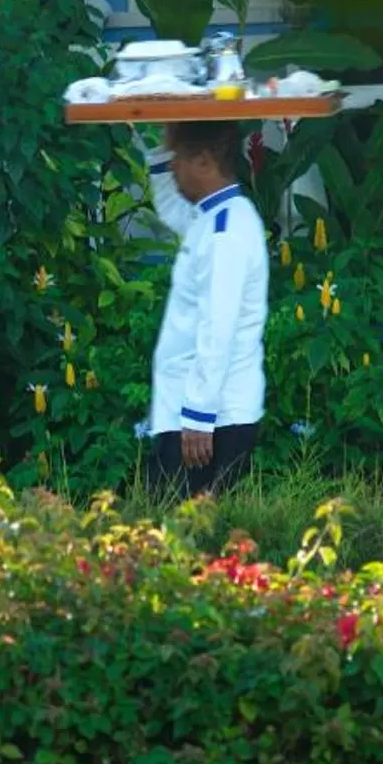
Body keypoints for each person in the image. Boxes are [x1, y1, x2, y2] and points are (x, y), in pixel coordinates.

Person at [140, 121, 269, 497]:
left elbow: (218, 329)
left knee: (184, 539)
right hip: (196, 414)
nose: (174, 169)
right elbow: (168, 205)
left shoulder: (224, 233)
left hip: (208, 421)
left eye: (178, 160)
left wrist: (198, 416)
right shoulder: (212, 217)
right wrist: (166, 140)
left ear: (204, 160)